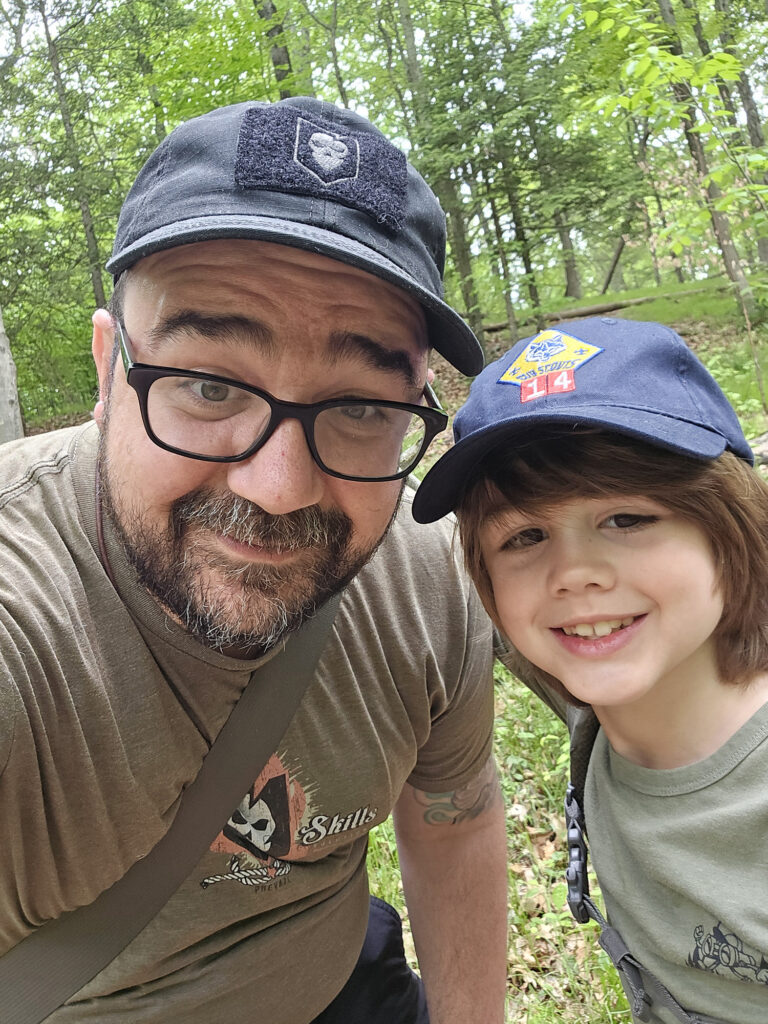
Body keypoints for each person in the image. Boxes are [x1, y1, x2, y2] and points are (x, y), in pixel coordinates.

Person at [0, 98, 508, 1023]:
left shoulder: (425, 576)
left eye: (359, 407)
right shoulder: (22, 620)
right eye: (207, 384)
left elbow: (456, 814)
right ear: (110, 369)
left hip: (346, 977)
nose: (279, 486)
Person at [413, 317, 768, 1024]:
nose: (574, 575)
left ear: (731, 526)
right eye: (525, 535)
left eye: (628, 519)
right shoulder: (575, 670)